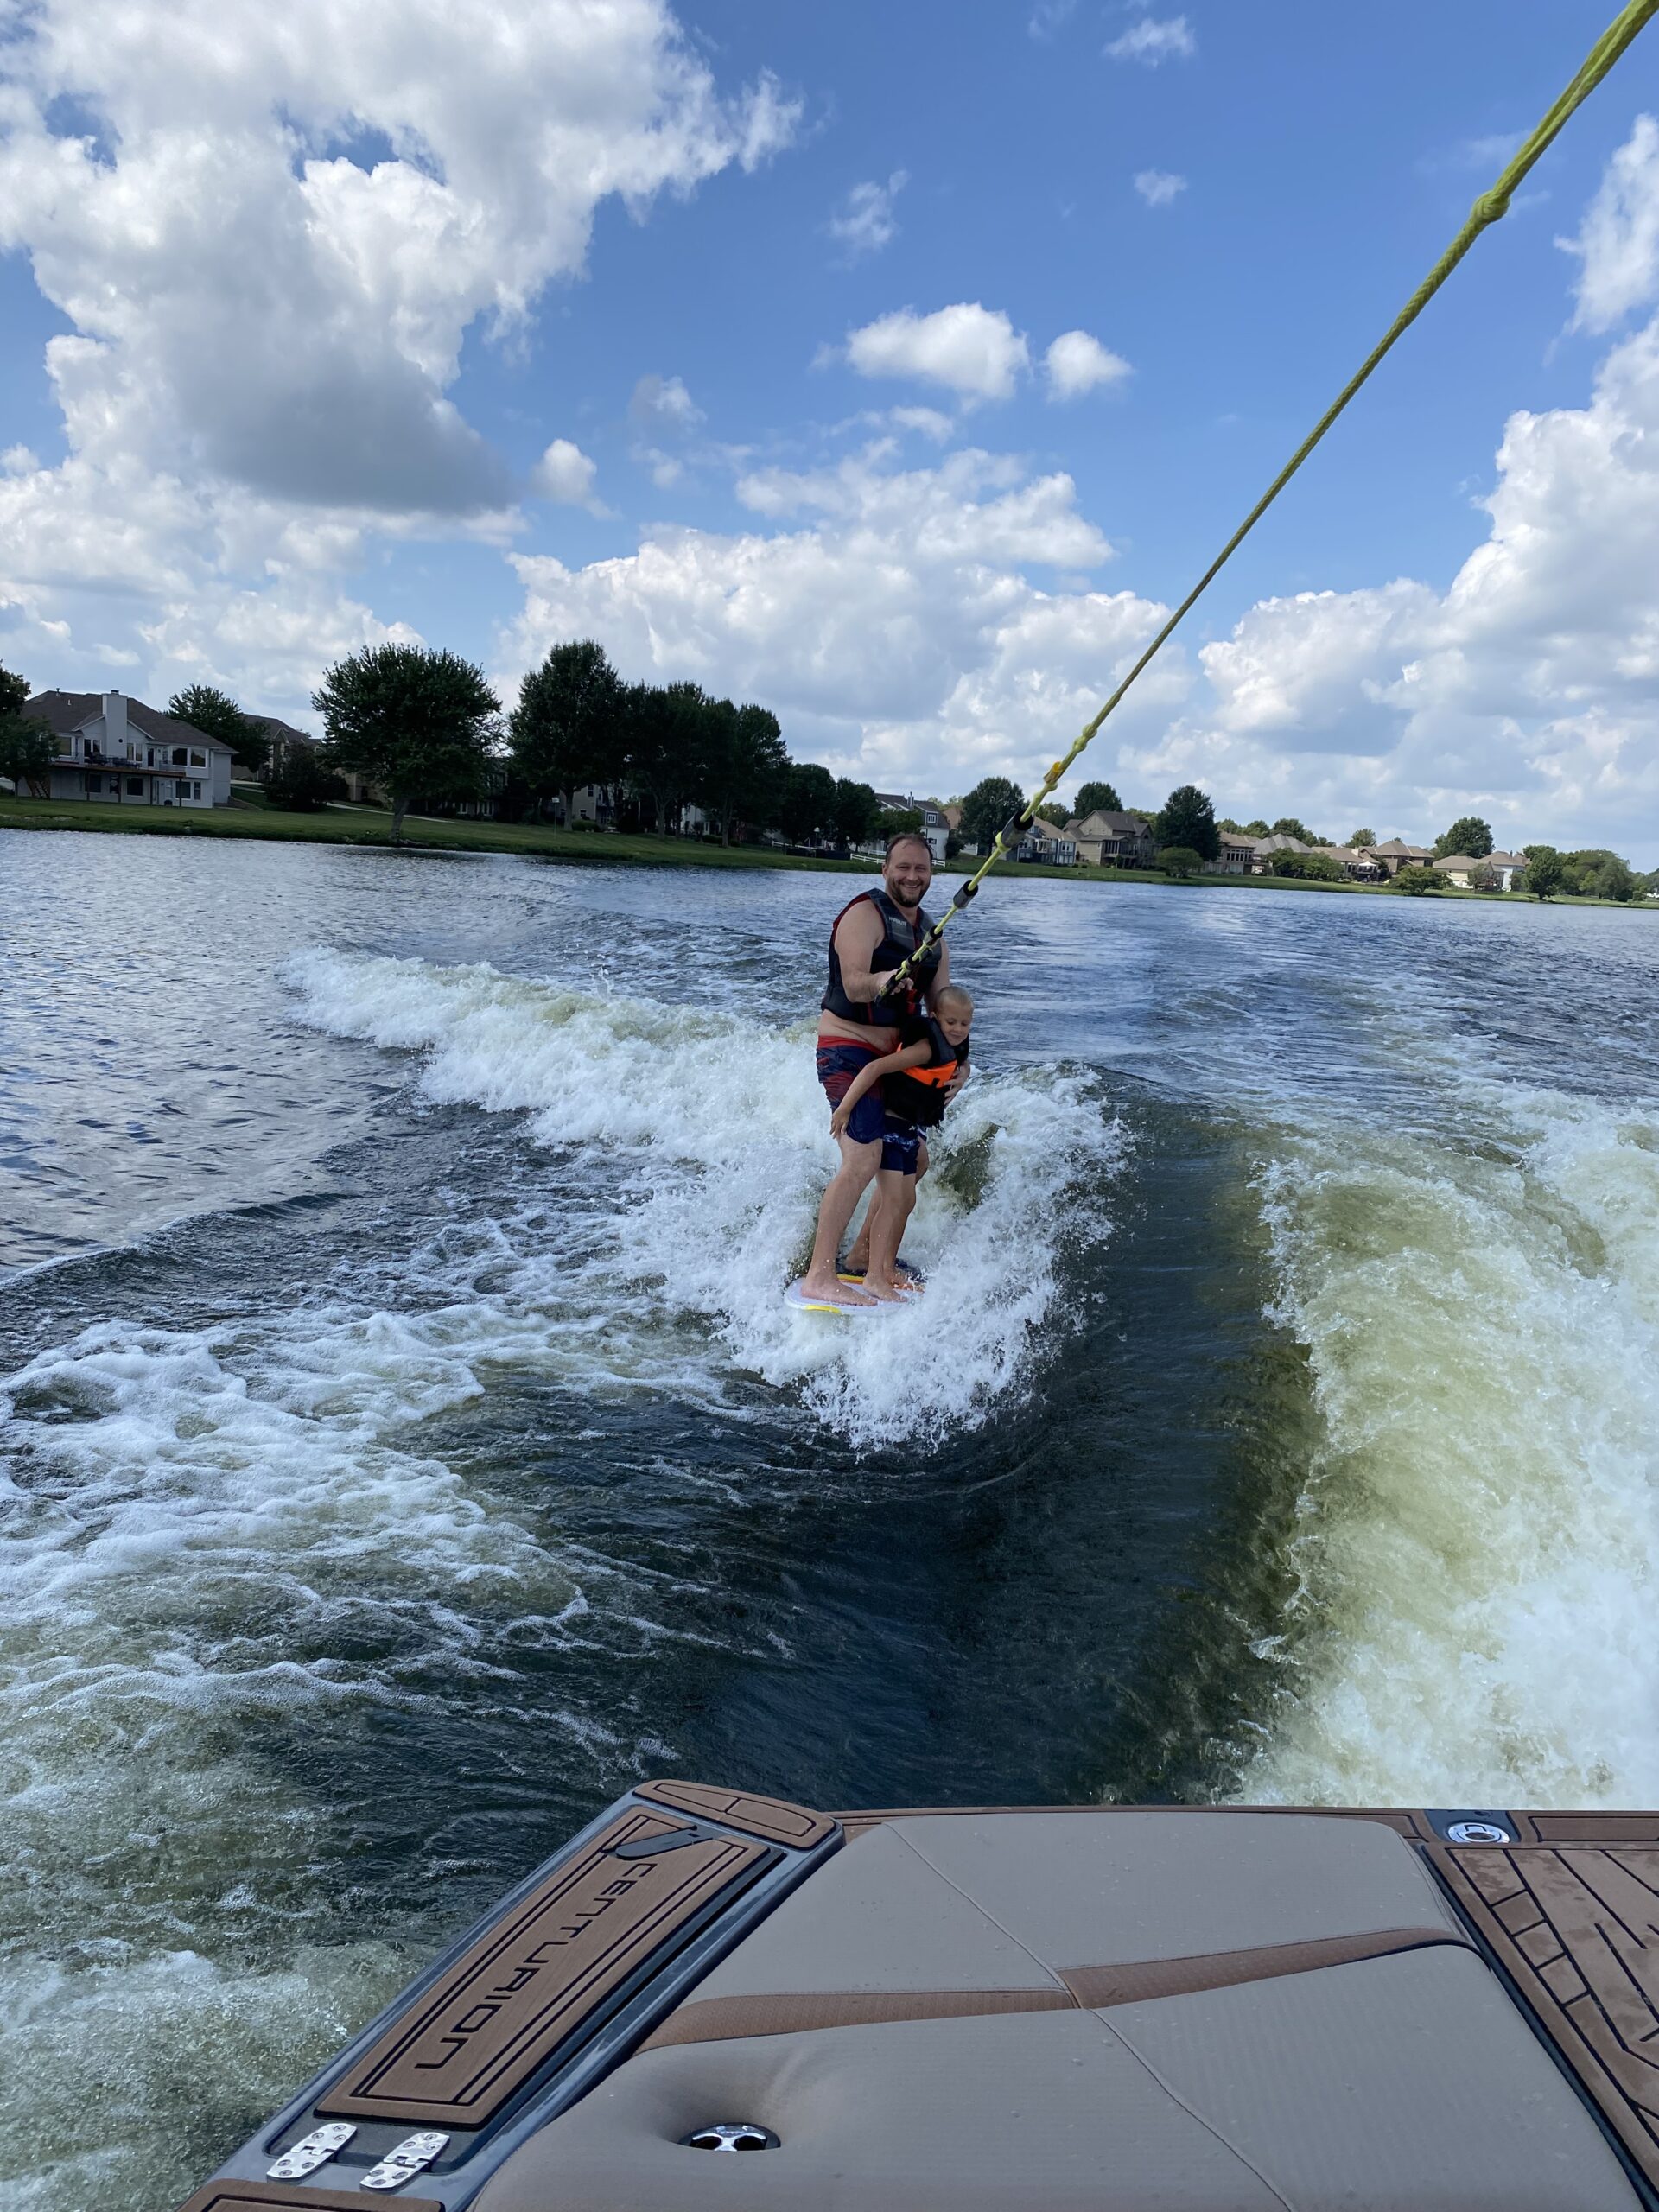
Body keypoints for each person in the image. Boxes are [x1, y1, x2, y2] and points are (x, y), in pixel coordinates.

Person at [802, 832, 964, 1307]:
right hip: (846, 1051)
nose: (912, 877)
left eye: (922, 869)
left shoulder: (933, 937)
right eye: (903, 867)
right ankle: (818, 1275)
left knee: (914, 1161)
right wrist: (884, 980)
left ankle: (863, 1258)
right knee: (863, 1159)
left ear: (932, 875)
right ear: (885, 870)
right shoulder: (864, 915)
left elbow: (943, 1015)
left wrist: (964, 1063)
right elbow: (854, 985)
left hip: (892, 1062)